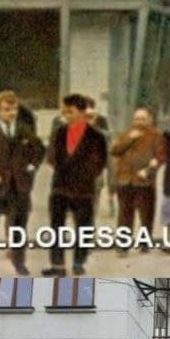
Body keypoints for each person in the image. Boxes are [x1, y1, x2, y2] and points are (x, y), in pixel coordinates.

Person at [0, 91, 45, 277]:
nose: (11, 113)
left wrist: (32, 166)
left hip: (19, 188)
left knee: (19, 228)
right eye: (6, 109)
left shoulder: (25, 131)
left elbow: (39, 151)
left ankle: (19, 263)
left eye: (14, 109)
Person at [43, 93, 108, 276]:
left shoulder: (96, 136)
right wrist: (58, 165)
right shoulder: (59, 132)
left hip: (83, 189)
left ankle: (79, 262)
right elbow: (51, 156)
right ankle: (57, 265)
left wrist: (84, 176)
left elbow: (99, 162)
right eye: (65, 112)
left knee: (83, 227)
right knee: (56, 226)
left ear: (81, 112)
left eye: (70, 111)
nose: (66, 115)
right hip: (60, 186)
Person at [110, 106, 166, 241]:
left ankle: (145, 242)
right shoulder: (126, 133)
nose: (139, 122)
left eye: (142, 119)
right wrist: (129, 138)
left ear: (149, 120)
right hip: (125, 179)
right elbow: (114, 150)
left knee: (146, 214)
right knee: (124, 214)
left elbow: (161, 157)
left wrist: (149, 170)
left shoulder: (156, 135)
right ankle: (123, 244)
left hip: (144, 180)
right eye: (136, 119)